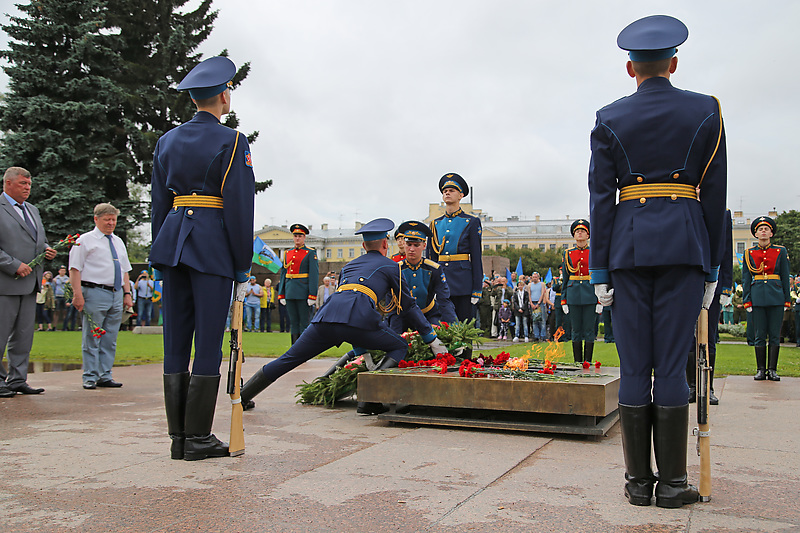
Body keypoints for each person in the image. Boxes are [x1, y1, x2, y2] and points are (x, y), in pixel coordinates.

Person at [588, 16, 727, 508]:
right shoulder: (706, 110)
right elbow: (714, 198)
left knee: (633, 365)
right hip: (685, 246)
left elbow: (602, 200)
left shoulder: (609, 118)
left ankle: (636, 485)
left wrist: (598, 270)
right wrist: (713, 269)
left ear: (630, 69)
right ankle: (672, 486)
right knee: (671, 365)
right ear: (673, 63)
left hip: (626, 249)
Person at [150, 55, 255, 461]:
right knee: (208, 342)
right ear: (223, 97)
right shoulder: (233, 141)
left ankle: (179, 437)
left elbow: (160, 204)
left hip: (172, 243)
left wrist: (162, 250)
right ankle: (198, 438)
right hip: (211, 247)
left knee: (175, 342)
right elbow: (239, 205)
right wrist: (242, 265)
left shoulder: (166, 141)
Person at [239, 218, 449, 411]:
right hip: (359, 320)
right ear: (385, 244)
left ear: (364, 246)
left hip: (325, 317)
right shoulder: (392, 266)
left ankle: (242, 396)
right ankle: (371, 400)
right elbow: (408, 306)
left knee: (288, 358)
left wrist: (361, 348)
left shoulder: (349, 265)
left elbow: (346, 297)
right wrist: (430, 337)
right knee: (399, 346)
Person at [0, 166, 56, 398]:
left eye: (29, 184)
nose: (27, 188)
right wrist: (13, 264)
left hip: (30, 283)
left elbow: (35, 240)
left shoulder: (32, 210)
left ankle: (17, 379)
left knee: (24, 335)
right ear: (8, 183)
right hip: (5, 283)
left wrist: (45, 249)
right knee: (1, 334)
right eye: (23, 183)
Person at [69, 203, 133, 390]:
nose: (111, 223)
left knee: (110, 337)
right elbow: (75, 269)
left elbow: (125, 271)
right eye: (107, 219)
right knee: (92, 336)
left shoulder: (118, 242)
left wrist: (127, 293)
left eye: (113, 219)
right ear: (96, 219)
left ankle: (105, 374)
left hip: (116, 293)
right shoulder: (84, 241)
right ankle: (89, 376)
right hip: (94, 292)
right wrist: (77, 294)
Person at [687, 209, 732, 405]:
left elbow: (726, 251)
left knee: (709, 335)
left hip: (713, 280)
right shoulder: (684, 204)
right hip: (687, 278)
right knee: (687, 336)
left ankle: (708, 387)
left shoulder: (723, 213)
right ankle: (691, 386)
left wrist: (727, 287)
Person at [427, 173, 483, 322]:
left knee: (463, 328)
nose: (447, 193)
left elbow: (477, 258)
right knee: (442, 328)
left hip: (462, 282)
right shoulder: (435, 224)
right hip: (440, 281)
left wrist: (477, 289)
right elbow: (430, 258)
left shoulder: (471, 222)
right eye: (445, 191)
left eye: (451, 190)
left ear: (461, 195)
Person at [743, 216, 791, 381]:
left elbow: (785, 276)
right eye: (760, 229)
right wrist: (747, 300)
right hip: (757, 297)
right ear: (755, 234)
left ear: (771, 233)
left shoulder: (780, 251)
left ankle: (772, 370)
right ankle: (760, 369)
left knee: (775, 336)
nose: (763, 232)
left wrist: (786, 299)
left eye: (766, 229)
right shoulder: (749, 253)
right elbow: (746, 279)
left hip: (776, 296)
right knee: (759, 335)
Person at [390, 221, 458, 332]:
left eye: (416, 245)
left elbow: (444, 299)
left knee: (438, 340)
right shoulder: (395, 269)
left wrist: (455, 326)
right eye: (409, 244)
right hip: (403, 317)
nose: (411, 249)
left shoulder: (434, 269)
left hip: (429, 315)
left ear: (424, 245)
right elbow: (391, 302)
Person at [561, 220, 601, 363]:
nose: (579, 233)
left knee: (589, 331)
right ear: (573, 235)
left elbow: (599, 276)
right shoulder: (567, 253)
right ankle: (577, 362)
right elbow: (565, 279)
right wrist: (563, 300)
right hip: (573, 295)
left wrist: (600, 300)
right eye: (577, 231)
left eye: (583, 231)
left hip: (591, 294)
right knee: (575, 331)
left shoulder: (594, 252)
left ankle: (587, 362)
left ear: (588, 235)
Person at [278, 224, 319, 344]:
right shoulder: (287, 253)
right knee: (293, 322)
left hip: (303, 292)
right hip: (290, 291)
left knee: (304, 323)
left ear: (304, 237)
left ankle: (303, 349)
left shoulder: (310, 253)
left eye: (300, 236)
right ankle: (294, 350)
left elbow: (314, 275)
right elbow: (283, 274)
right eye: (295, 236)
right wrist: (281, 294)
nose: (297, 238)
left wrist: (312, 295)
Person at [528, 272, 547, 342]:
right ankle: (536, 336)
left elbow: (542, 293)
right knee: (534, 320)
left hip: (540, 303)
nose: (534, 278)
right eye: (533, 277)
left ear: (538, 277)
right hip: (533, 302)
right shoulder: (529, 285)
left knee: (542, 320)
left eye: (536, 277)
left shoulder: (542, 284)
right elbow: (529, 295)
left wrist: (539, 303)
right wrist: (531, 303)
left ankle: (543, 336)